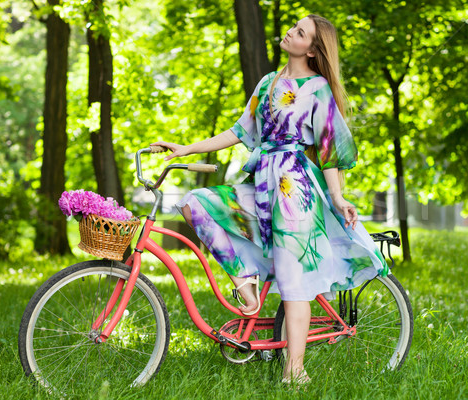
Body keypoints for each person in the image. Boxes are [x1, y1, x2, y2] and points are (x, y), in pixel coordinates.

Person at [152, 14, 389, 384]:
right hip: (261, 183)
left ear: (312, 49)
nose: (291, 32)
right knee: (195, 202)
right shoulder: (268, 83)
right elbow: (237, 132)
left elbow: (328, 150)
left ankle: (296, 372)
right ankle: (245, 281)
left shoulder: (318, 89)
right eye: (294, 26)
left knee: (295, 283)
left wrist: (339, 197)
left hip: (295, 189)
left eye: (301, 33)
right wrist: (183, 150)